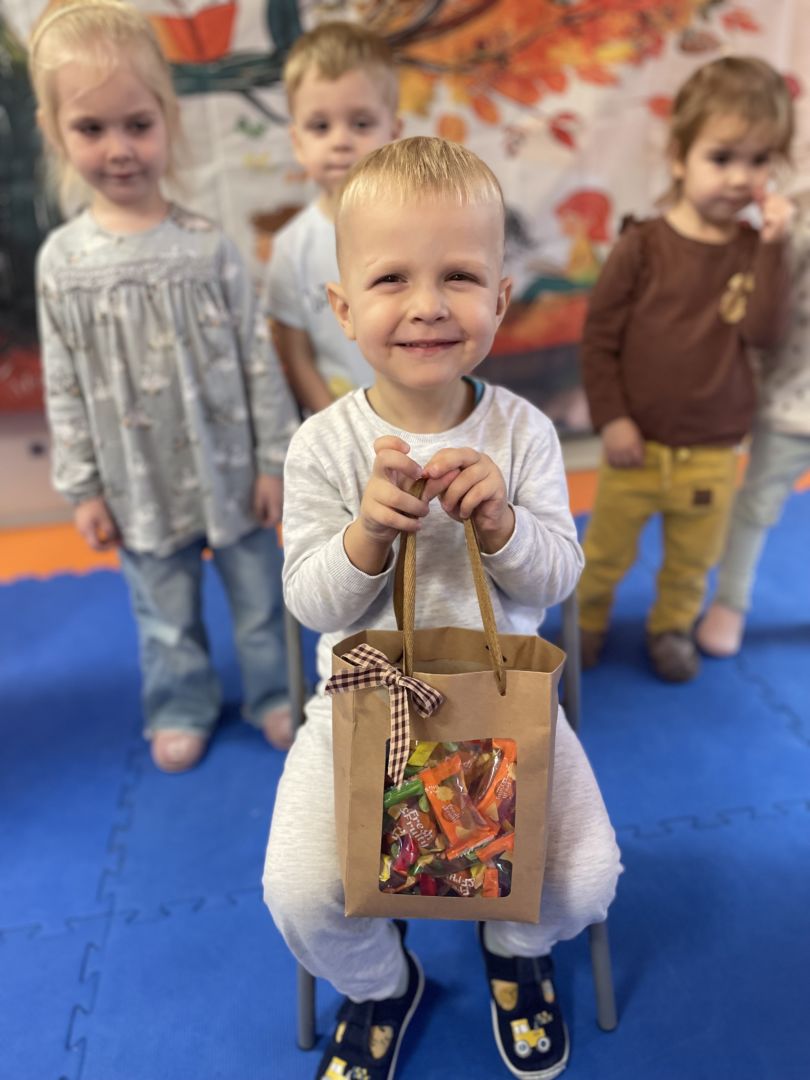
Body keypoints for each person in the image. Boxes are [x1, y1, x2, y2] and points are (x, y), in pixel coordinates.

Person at [263, 137, 621, 1080]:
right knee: (300, 892)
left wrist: (503, 525)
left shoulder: (524, 432)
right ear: (343, 307)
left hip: (505, 707)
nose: (427, 304)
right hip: (365, 705)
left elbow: (556, 581)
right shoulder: (322, 444)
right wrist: (363, 541)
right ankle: (384, 984)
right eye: (392, 279)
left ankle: (515, 948)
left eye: (459, 276)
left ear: (500, 298)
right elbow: (309, 602)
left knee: (587, 878)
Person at [29, 0, 299, 770]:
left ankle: (275, 692)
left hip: (230, 470)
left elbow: (256, 358)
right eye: (91, 128)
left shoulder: (208, 247)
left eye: (138, 125)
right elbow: (64, 383)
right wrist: (83, 487)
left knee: (260, 598)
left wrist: (273, 461)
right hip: (136, 482)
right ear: (55, 132)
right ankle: (181, 702)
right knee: (164, 613)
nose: (119, 149)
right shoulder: (62, 263)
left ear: (167, 121)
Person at [577, 56, 795, 683]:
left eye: (758, 161)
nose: (740, 178)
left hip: (713, 449)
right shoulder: (641, 246)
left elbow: (765, 333)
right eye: (721, 157)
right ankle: (585, 622)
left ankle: (671, 627)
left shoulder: (755, 250)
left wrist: (775, 247)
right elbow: (598, 340)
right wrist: (613, 420)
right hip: (635, 445)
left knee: (692, 560)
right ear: (678, 157)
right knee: (605, 551)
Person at [264, 20, 402, 414]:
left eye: (361, 123)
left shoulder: (418, 230)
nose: (341, 141)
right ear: (298, 142)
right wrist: (334, 431)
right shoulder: (291, 248)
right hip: (337, 428)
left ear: (394, 133)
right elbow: (297, 356)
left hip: (422, 421)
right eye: (321, 126)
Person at [697, 191, 810, 657]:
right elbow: (770, 311)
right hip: (790, 401)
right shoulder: (797, 221)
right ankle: (730, 602)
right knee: (756, 506)